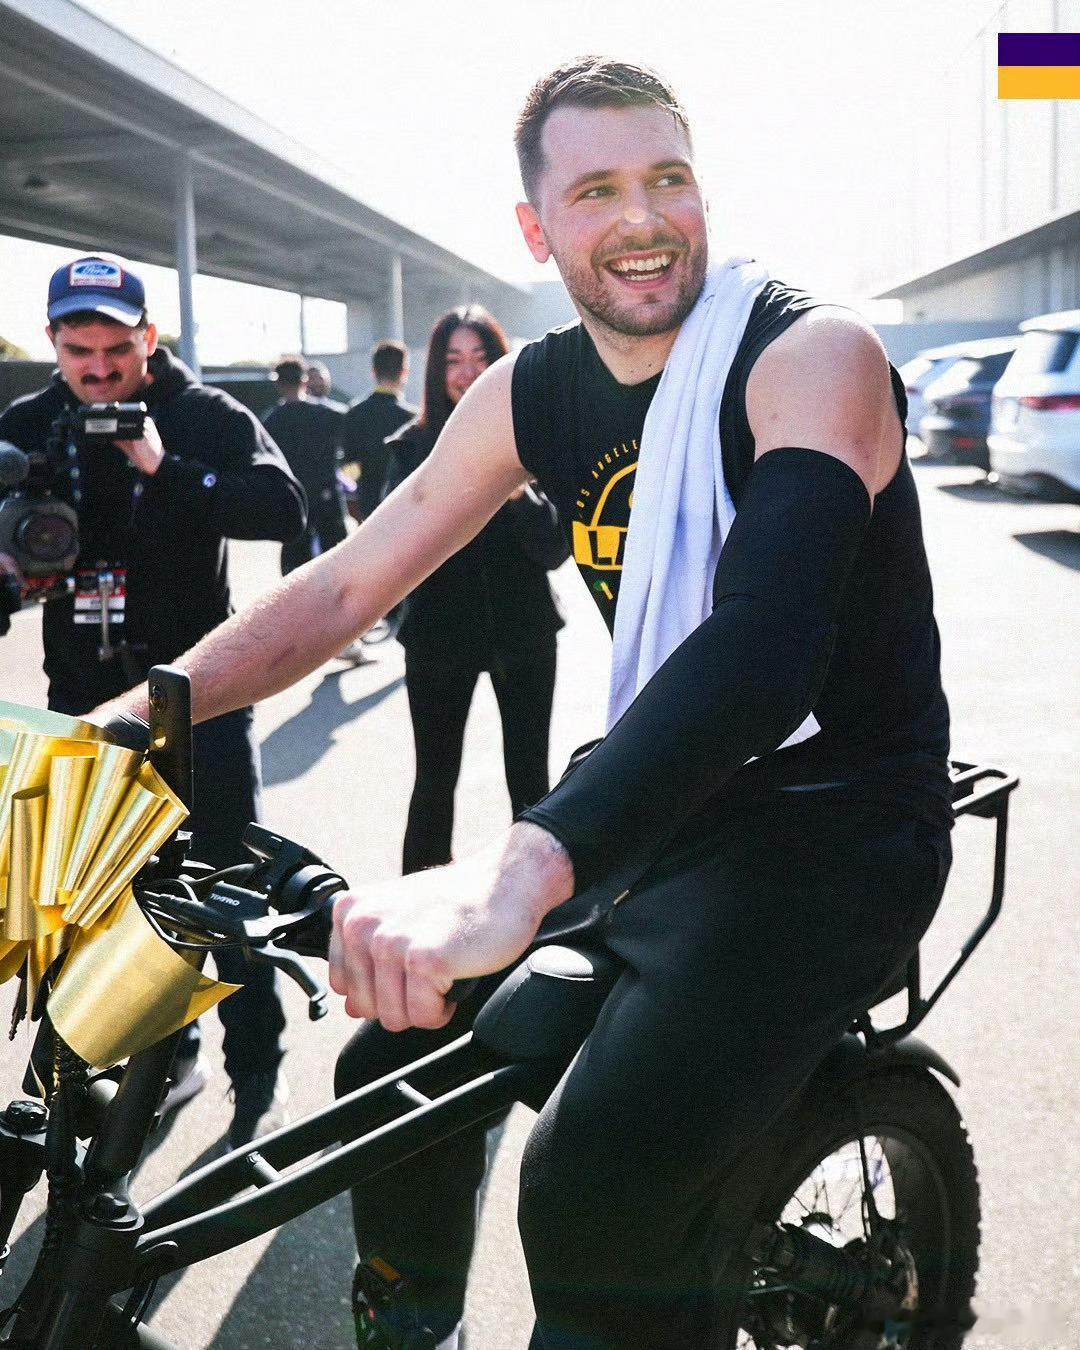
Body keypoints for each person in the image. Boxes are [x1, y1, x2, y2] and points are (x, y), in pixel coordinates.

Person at [102, 56, 954, 1350]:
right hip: (668, 804)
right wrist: (136, 719)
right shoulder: (532, 392)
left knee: (590, 1182)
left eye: (668, 178)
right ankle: (414, 1326)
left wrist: (523, 866)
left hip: (838, 825)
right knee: (390, 1068)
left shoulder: (813, 356)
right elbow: (347, 585)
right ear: (535, 226)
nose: (644, 217)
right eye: (597, 189)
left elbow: (766, 644)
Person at [0, 255, 306, 1150]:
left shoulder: (203, 413)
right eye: (78, 351)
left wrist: (168, 467)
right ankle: (146, 1066)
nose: (99, 369)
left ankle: (257, 1073)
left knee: (226, 889)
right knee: (92, 905)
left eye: (117, 350)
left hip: (199, 697)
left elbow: (283, 509)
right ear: (53, 343)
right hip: (85, 698)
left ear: (150, 339)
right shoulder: (29, 422)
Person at [386, 307, 566, 875]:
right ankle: (417, 902)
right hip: (437, 637)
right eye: (453, 361)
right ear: (435, 371)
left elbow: (555, 549)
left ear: (500, 364)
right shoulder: (410, 447)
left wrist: (516, 490)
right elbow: (392, 549)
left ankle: (532, 907)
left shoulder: (533, 443)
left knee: (531, 782)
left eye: (480, 358)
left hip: (525, 631)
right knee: (435, 781)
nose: (466, 373)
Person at [263, 357, 349, 574]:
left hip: (293, 498)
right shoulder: (331, 414)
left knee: (295, 564)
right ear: (304, 381)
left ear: (278, 384)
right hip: (327, 496)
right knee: (337, 557)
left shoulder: (271, 422)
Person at [341, 340, 416, 521]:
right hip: (406, 505)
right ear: (405, 373)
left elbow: (349, 466)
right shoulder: (413, 418)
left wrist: (356, 493)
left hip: (368, 506)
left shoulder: (354, 413)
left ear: (373, 372)